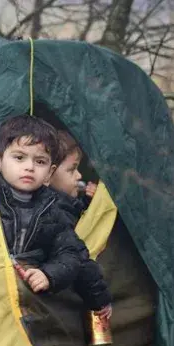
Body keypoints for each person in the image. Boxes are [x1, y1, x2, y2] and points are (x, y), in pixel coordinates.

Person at [0, 114, 88, 295]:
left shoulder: (53, 210)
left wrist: (48, 274)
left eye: (40, 161)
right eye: (19, 158)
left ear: (50, 173)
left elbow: (70, 254)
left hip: (26, 298)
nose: (29, 167)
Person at [46, 130, 113, 320]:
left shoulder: (55, 204)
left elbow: (73, 218)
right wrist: (100, 299)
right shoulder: (54, 212)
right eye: (71, 169)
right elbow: (77, 257)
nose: (79, 175)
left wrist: (88, 204)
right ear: (48, 174)